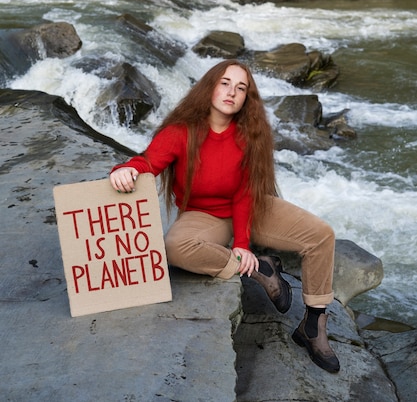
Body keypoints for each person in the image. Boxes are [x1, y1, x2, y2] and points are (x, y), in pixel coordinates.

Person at [110, 60, 340, 373]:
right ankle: (261, 269)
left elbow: (245, 194)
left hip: (254, 208)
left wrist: (243, 242)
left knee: (321, 234)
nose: (231, 92)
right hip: (205, 214)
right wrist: (126, 170)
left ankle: (313, 327)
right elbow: (149, 162)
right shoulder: (181, 130)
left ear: (247, 97)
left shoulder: (250, 135)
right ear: (210, 86)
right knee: (174, 247)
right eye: (224, 83)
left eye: (241, 87)